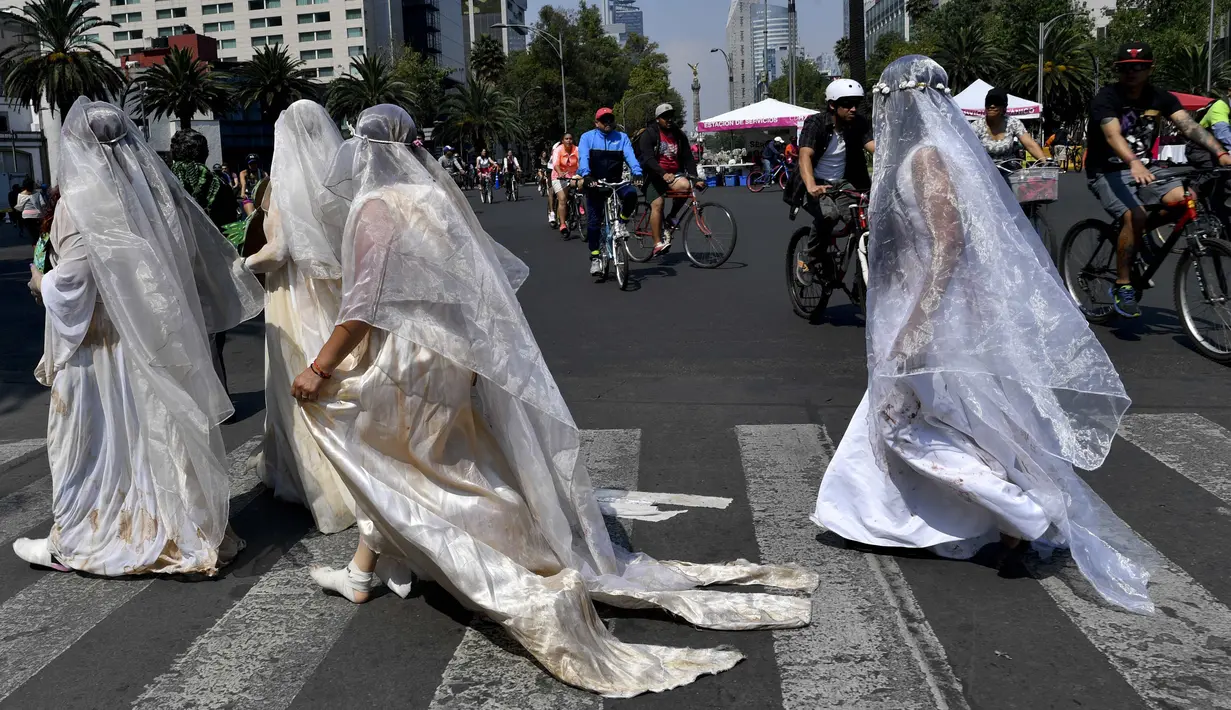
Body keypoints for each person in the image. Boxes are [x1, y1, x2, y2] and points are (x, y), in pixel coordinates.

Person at [297, 104, 816, 696]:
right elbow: (475, 288)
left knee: (413, 465)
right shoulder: (436, 200)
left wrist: (319, 367)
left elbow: (364, 303)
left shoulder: (375, 207)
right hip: (452, 354)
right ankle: (364, 568)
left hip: (407, 356)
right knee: (418, 461)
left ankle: (508, 560)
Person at [812, 55, 1156, 615]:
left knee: (907, 421)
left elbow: (948, 245)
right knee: (939, 416)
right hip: (920, 303)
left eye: (885, 98)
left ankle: (1019, 511)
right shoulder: (921, 154)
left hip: (930, 309)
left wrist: (919, 322)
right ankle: (879, 514)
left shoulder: (926, 158)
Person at [14, 98, 262, 576]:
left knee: (90, 440)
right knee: (151, 436)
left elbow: (76, 279)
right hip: (152, 338)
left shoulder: (81, 202)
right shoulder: (153, 195)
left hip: (98, 346)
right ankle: (172, 526)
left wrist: (40, 280)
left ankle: (82, 537)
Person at [241, 99, 355, 534]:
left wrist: (243, 266)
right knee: (336, 378)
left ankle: (316, 479)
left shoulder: (281, 187)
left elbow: (280, 251)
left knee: (296, 380)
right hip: (334, 293)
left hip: (293, 294)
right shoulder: (341, 181)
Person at [1086, 41, 1231, 318]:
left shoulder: (1159, 97)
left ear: (1149, 69)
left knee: (1185, 200)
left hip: (1148, 169)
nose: (1133, 73)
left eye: (1139, 67)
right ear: (1118, 70)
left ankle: (1136, 239)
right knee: (1135, 216)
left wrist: (1221, 154)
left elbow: (1188, 126)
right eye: (1126, 68)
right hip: (1106, 171)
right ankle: (1123, 284)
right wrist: (1134, 162)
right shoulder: (1107, 98)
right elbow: (1112, 134)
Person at [170, 129, 240, 398]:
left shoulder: (162, 183)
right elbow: (231, 230)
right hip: (211, 270)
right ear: (205, 153)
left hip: (172, 268)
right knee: (212, 333)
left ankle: (187, 398)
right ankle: (217, 396)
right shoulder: (218, 184)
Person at [796, 79, 876, 274]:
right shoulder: (815, 123)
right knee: (829, 215)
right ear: (832, 105)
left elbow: (875, 148)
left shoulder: (858, 123)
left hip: (843, 184)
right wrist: (811, 186)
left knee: (867, 220)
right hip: (815, 184)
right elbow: (804, 155)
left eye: (856, 104)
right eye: (847, 104)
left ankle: (863, 280)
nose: (853, 109)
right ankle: (809, 257)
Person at [577, 107, 643, 276]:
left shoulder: (622, 137)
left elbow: (630, 156)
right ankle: (595, 258)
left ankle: (621, 222)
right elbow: (583, 158)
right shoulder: (587, 137)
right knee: (593, 221)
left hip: (617, 181)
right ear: (596, 123)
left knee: (632, 195)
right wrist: (586, 175)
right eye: (603, 120)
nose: (607, 123)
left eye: (610, 119)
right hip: (595, 183)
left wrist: (637, 172)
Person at [637, 103, 704, 257]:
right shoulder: (649, 134)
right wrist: (662, 173)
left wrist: (695, 178)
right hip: (652, 175)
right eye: (665, 117)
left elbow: (688, 157)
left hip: (673, 174)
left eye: (670, 116)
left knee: (686, 186)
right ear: (657, 119)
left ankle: (671, 217)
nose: (669, 120)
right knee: (658, 204)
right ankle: (657, 244)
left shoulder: (679, 135)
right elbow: (647, 159)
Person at [971, 87, 1047, 163]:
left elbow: (1030, 145)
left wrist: (1045, 162)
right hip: (986, 170)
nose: (992, 106)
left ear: (1004, 107)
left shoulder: (1013, 123)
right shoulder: (976, 126)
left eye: (997, 103)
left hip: (1009, 169)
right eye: (989, 102)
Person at [550, 133, 579, 235]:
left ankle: (579, 205)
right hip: (559, 176)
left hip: (573, 176)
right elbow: (556, 164)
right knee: (562, 199)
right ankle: (562, 224)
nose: (569, 141)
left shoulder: (577, 149)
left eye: (570, 139)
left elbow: (582, 162)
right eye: (566, 139)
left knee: (582, 188)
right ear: (562, 141)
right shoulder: (558, 150)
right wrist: (560, 172)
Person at [15, 177, 47, 245]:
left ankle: (35, 247)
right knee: (40, 233)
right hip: (37, 215)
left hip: (26, 217)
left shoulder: (20, 195)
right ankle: (41, 246)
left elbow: (20, 207)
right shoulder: (37, 193)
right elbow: (43, 204)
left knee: (32, 234)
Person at [546, 138, 563, 226]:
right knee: (552, 191)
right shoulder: (557, 146)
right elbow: (555, 161)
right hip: (552, 169)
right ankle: (552, 212)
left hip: (565, 170)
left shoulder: (573, 147)